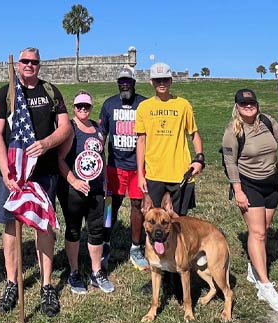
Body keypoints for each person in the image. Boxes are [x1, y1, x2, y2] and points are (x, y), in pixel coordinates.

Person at [0, 47, 71, 317]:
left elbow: (65, 128)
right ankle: (12, 282)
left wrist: (46, 144)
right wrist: (6, 171)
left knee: (44, 226)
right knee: (11, 229)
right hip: (13, 173)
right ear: (18, 63)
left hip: (44, 171)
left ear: (39, 65)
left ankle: (47, 285)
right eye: (24, 61)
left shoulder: (50, 91)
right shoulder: (7, 92)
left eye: (33, 62)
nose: (28, 65)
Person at [221, 88, 278, 313]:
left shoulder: (268, 122)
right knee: (258, 233)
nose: (248, 106)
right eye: (243, 104)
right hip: (248, 185)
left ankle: (254, 266)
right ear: (237, 107)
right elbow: (230, 163)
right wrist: (238, 191)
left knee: (263, 229)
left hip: (271, 183)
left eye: (251, 103)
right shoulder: (233, 131)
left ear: (257, 104)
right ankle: (265, 285)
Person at [58, 91, 114, 294]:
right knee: (73, 230)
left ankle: (96, 272)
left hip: (98, 189)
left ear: (91, 108)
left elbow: (102, 156)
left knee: (97, 229)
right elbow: (60, 159)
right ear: (73, 108)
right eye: (79, 106)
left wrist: (106, 182)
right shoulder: (70, 128)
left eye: (86, 106)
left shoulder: (98, 128)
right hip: (75, 190)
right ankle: (73, 272)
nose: (83, 109)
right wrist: (74, 181)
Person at [135, 62, 204, 216]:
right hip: (154, 173)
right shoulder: (144, 107)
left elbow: (194, 134)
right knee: (154, 219)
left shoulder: (183, 105)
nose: (162, 83)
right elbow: (141, 141)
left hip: (180, 172)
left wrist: (199, 158)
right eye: (158, 80)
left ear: (171, 81)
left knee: (178, 220)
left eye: (165, 79)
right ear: (151, 82)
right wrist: (140, 173)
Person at [98, 68, 148, 271]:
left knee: (137, 205)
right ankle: (106, 243)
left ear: (134, 83)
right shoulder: (109, 104)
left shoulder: (144, 104)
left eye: (128, 81)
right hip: (115, 166)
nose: (125, 84)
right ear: (118, 84)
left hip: (137, 167)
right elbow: (102, 133)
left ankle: (136, 247)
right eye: (122, 81)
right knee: (110, 205)